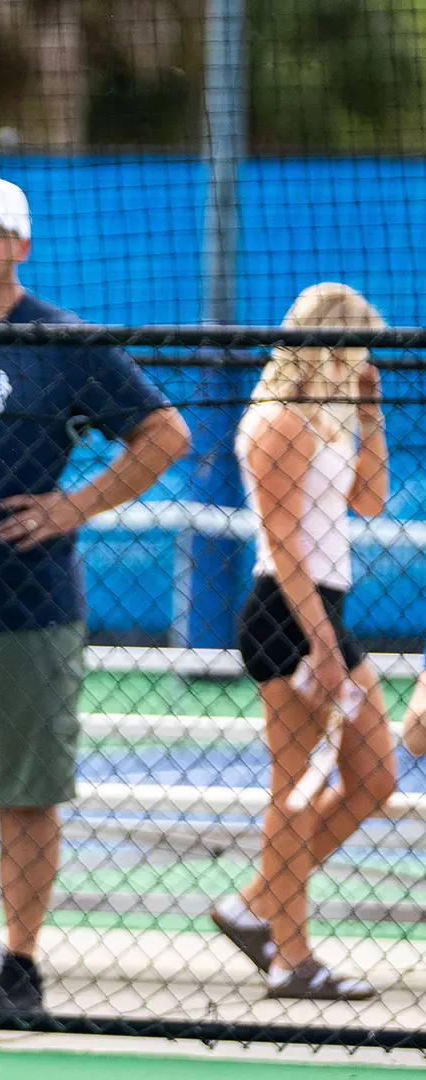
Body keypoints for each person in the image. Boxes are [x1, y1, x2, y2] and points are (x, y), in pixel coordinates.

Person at [0, 177, 190, 1015]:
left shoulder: (63, 341)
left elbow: (165, 433)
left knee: (26, 798)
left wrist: (75, 505)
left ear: (21, 246)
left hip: (27, 610)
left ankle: (20, 965)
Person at [212, 282, 397, 1000]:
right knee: (295, 789)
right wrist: (320, 645)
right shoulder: (278, 421)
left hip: (324, 612)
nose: (367, 361)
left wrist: (370, 415)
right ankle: (291, 958)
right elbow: (284, 545)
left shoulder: (328, 417)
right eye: (359, 347)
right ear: (329, 345)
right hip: (289, 617)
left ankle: (257, 903)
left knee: (373, 778)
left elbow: (369, 501)